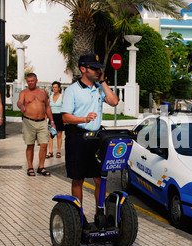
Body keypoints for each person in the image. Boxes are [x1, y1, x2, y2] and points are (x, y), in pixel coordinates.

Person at [61, 54, 119, 227]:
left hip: (95, 140)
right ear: (83, 69)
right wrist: (84, 119)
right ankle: (78, 216)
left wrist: (102, 81)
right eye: (94, 68)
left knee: (100, 178)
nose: (98, 70)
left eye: (99, 68)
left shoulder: (99, 88)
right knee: (78, 178)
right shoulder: (72, 90)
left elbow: (114, 101)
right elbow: (65, 117)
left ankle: (99, 213)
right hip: (77, 137)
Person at [17, 73, 55, 176]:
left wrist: (52, 122)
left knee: (44, 144)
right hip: (28, 122)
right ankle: (30, 167)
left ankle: (41, 167)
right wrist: (21, 106)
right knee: (30, 145)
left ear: (36, 81)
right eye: (28, 81)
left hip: (42, 121)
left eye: (32, 81)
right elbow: (19, 102)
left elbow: (47, 107)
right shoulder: (24, 92)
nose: (30, 83)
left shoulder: (42, 92)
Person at [46, 81, 64, 159]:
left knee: (59, 135)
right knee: (51, 135)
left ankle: (58, 151)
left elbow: (65, 108)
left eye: (56, 87)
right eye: (53, 87)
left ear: (59, 88)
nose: (54, 89)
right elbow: (48, 108)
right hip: (52, 117)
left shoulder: (62, 96)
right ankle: (50, 152)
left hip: (59, 117)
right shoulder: (50, 96)